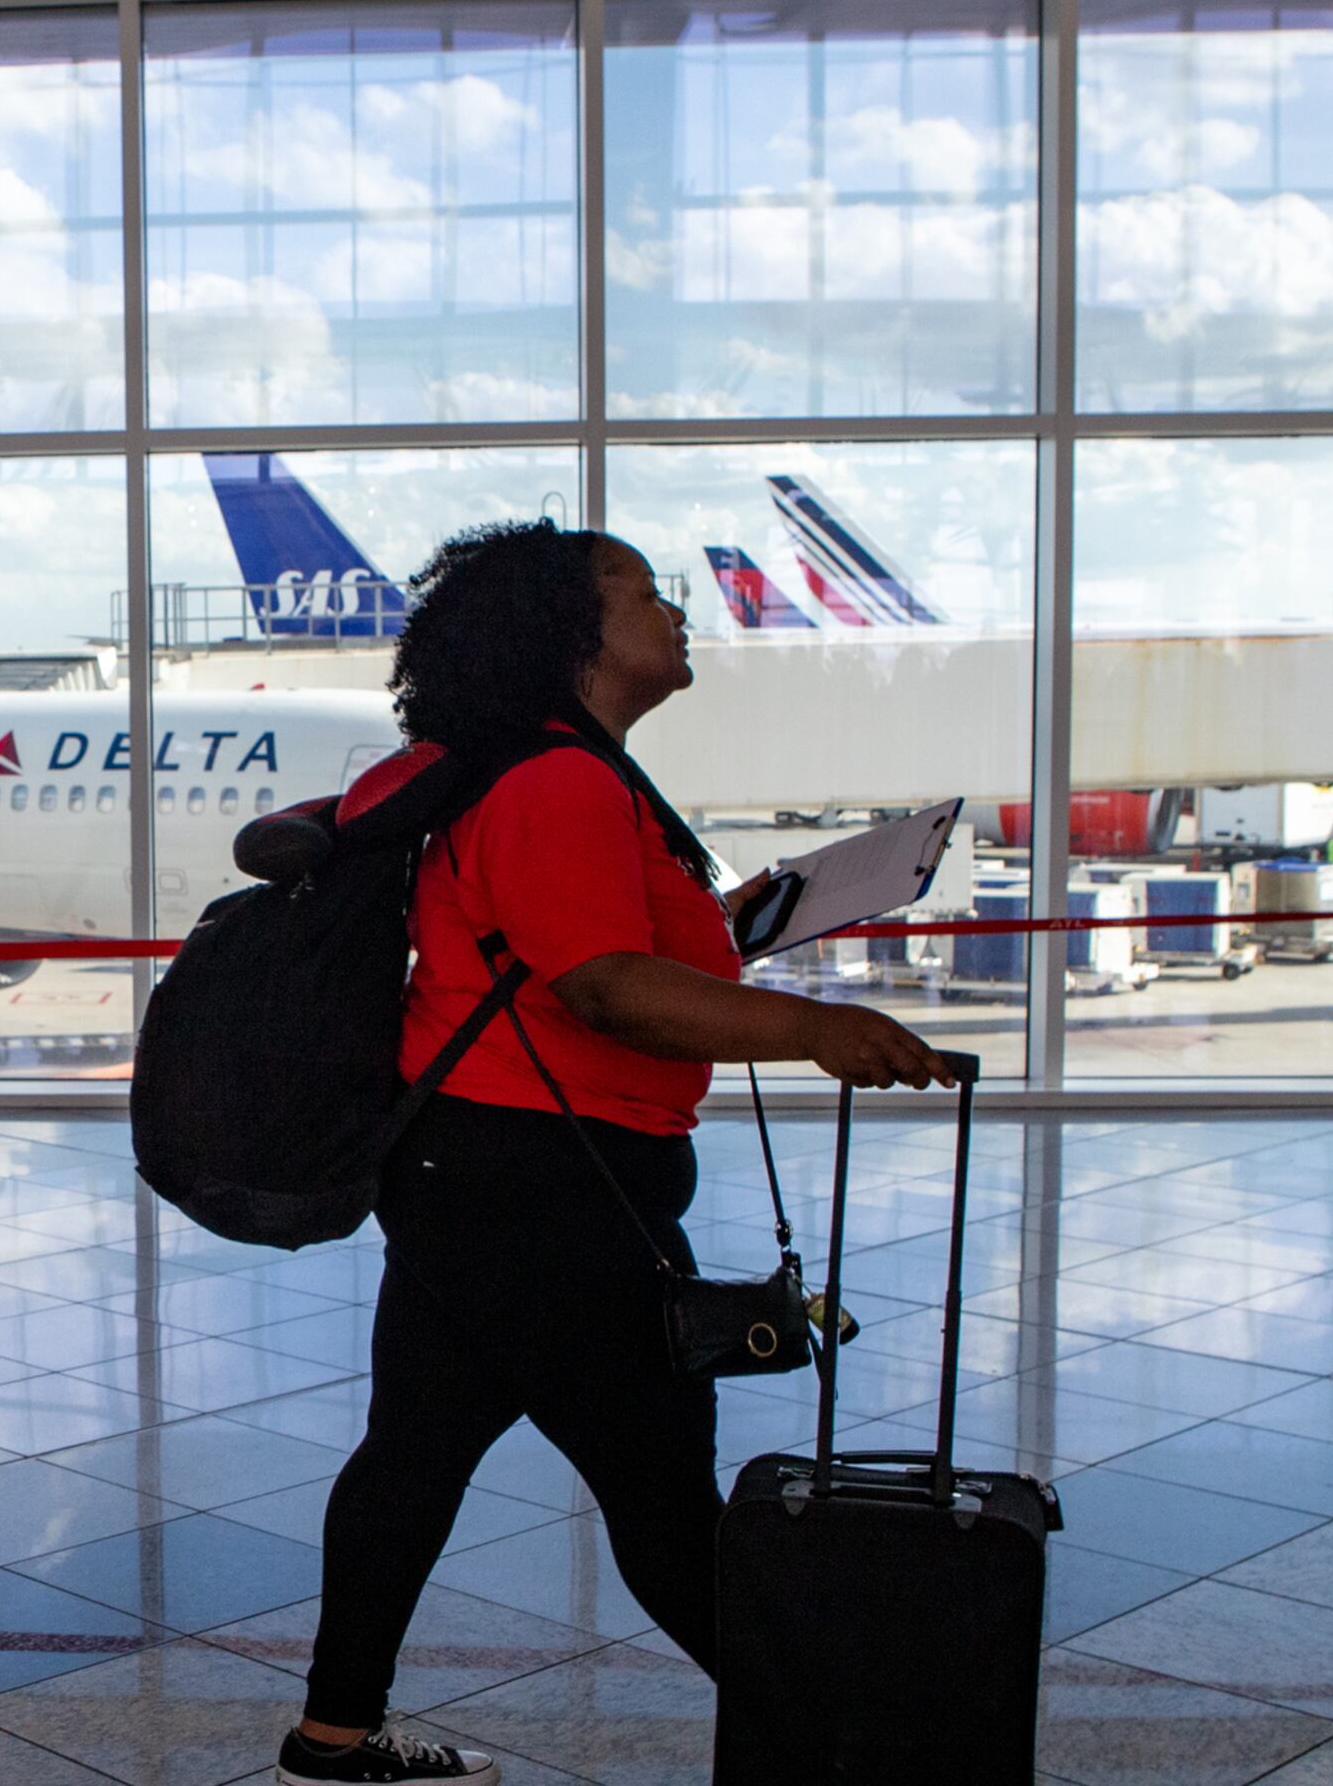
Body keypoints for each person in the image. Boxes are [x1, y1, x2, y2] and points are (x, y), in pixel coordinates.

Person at [273, 524, 951, 1786]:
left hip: (473, 1171)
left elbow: (593, 954)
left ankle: (332, 1738)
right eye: (643, 590)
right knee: (664, 1504)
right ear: (571, 633)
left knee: (412, 1458)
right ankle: (851, 1753)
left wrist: (730, 926)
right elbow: (607, 989)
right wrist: (822, 1030)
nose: (673, 610)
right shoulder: (559, 782)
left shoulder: (556, 772)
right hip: (542, 1188)